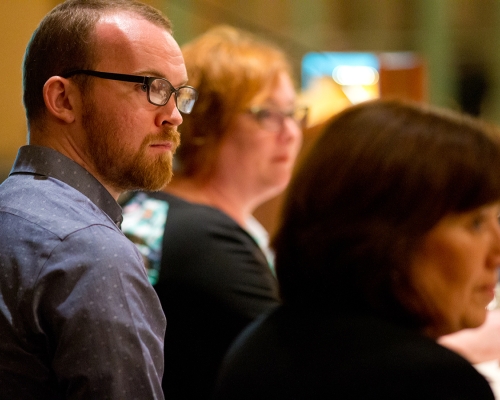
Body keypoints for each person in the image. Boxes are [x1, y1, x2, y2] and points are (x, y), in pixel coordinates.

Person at [214, 99, 500, 399]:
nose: (497, 252)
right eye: (476, 223)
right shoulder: (431, 380)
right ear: (387, 235)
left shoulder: (259, 343)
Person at [0, 0, 197, 398]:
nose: (174, 115)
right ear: (63, 99)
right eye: (151, 88)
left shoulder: (10, 209)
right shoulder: (90, 253)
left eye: (178, 93)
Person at [120, 25, 305, 398]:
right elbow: (304, 371)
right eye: (266, 114)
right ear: (205, 121)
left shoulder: (161, 208)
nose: (290, 132)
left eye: (292, 112)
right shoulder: (202, 242)